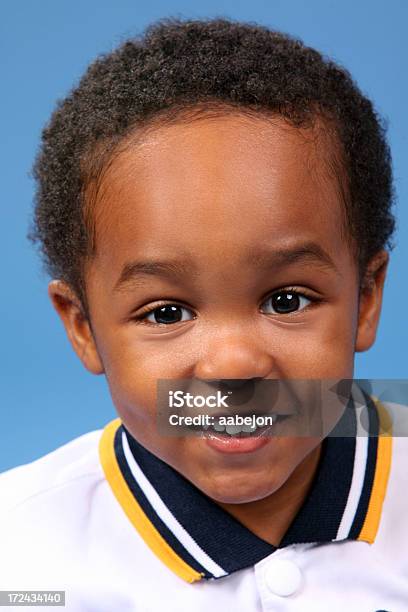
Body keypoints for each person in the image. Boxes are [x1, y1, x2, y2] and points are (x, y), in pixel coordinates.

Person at [1, 16, 406, 611]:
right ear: (81, 325)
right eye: (166, 313)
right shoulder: (21, 554)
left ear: (367, 297)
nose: (235, 365)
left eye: (286, 300)